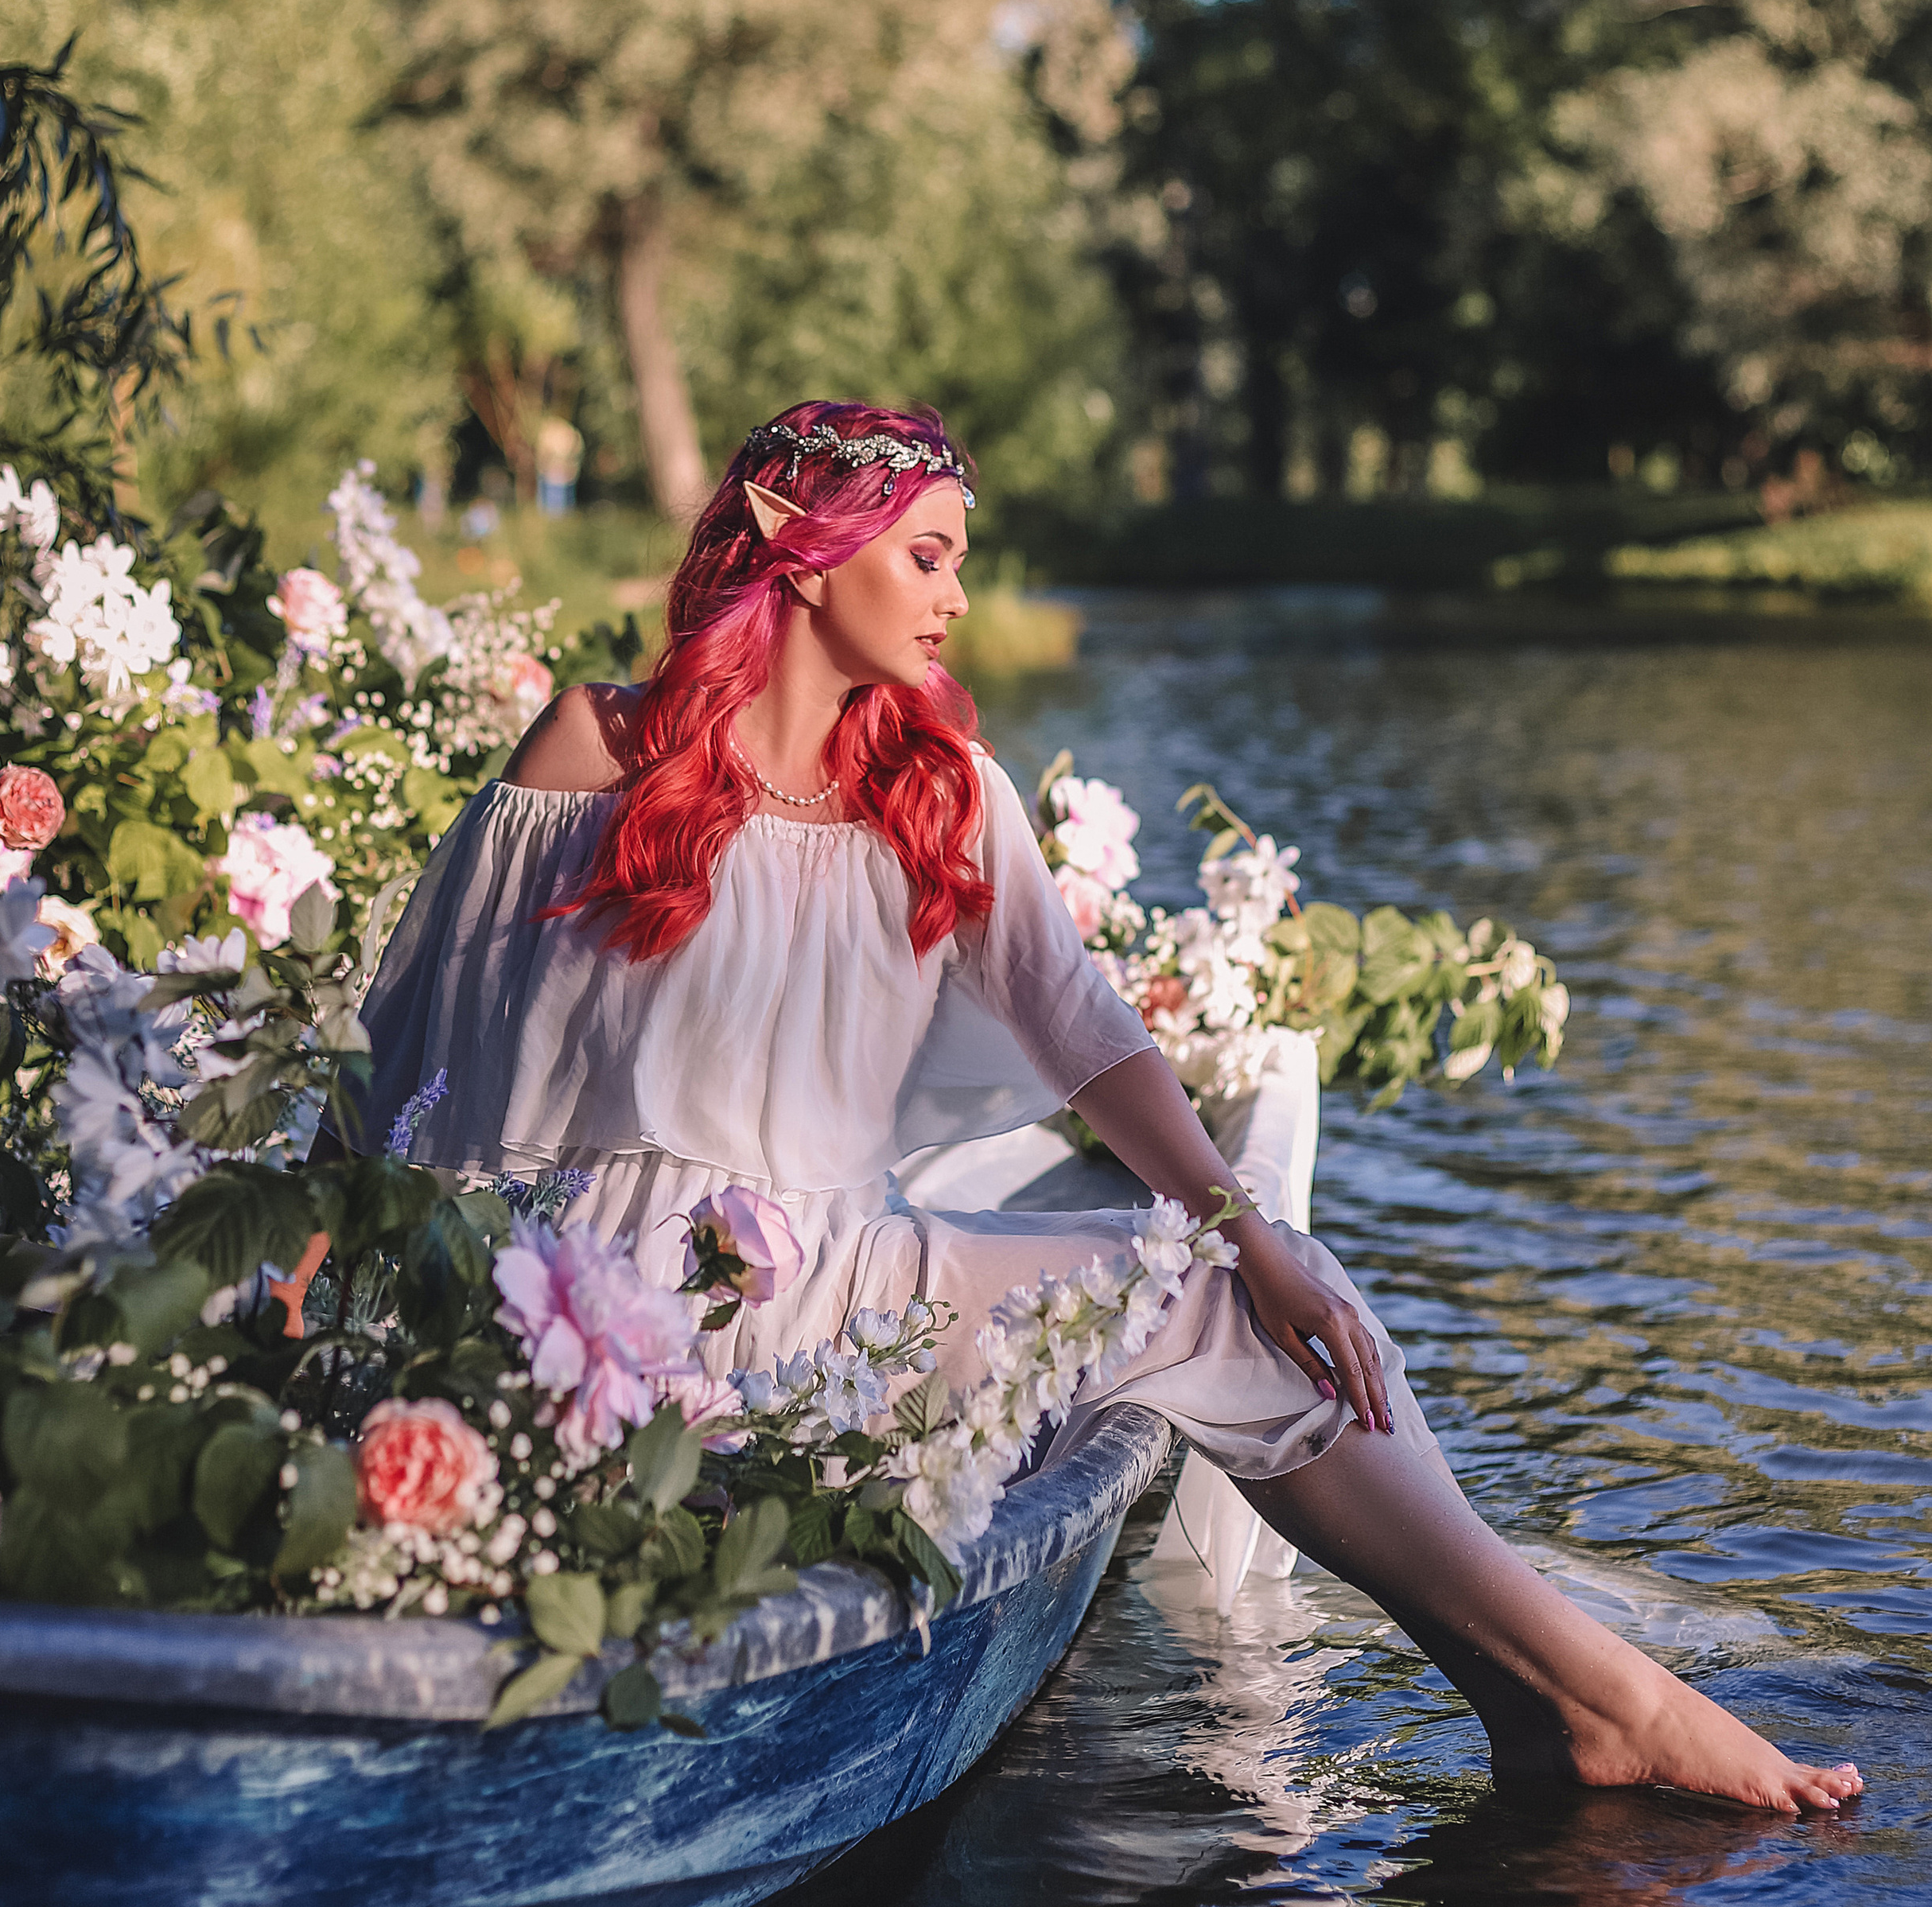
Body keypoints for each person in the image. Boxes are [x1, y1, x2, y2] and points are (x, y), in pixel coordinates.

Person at [358, 398, 1860, 1818]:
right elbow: (432, 1078)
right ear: (793, 538)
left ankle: (1568, 1699)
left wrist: (1251, 1228)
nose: (954, 595)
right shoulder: (599, 753)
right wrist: (335, 1307)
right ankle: (1590, 1707)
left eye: (963, 562)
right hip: (600, 1317)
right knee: (1228, 1285)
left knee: (1238, 1298)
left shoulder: (942, 791)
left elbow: (1089, 1040)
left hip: (842, 1299)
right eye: (927, 553)